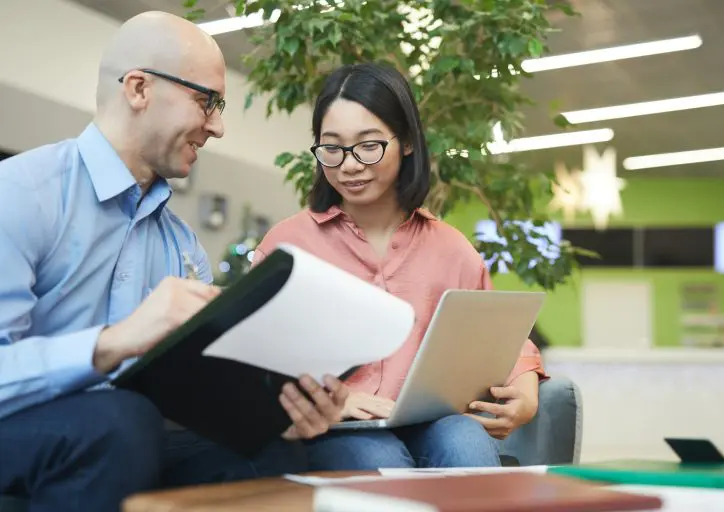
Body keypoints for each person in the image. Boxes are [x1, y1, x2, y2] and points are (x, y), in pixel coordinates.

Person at [0, 11, 347, 512]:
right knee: (120, 421)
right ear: (138, 89)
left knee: (261, 452)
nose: (219, 127)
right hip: (32, 424)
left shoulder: (182, 246)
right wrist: (112, 344)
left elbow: (192, 394)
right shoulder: (21, 195)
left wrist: (271, 414)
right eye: (206, 101)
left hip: (123, 430)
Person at [250, 62, 548, 471]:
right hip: (334, 431)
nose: (349, 165)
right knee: (375, 453)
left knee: (464, 438)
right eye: (331, 148)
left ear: (406, 141)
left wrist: (525, 391)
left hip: (429, 420)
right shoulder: (287, 247)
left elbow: (501, 338)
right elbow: (249, 359)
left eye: (368, 145)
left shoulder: (451, 248)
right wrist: (336, 398)